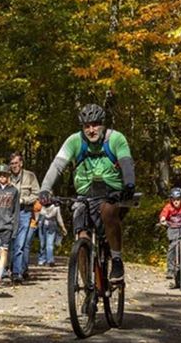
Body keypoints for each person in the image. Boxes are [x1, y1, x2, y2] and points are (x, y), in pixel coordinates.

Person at [39, 103, 136, 283]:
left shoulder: (115, 139)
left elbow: (126, 162)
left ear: (103, 124)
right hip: (85, 194)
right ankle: (87, 288)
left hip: (111, 192)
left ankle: (116, 260)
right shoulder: (74, 141)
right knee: (81, 237)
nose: (91, 130)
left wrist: (129, 183)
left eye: (95, 124)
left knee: (108, 212)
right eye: (87, 126)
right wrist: (45, 188)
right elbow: (57, 166)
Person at [9, 152, 40, 284]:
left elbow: (36, 194)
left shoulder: (30, 176)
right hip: (9, 214)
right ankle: (11, 269)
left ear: (21, 163)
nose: (14, 166)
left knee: (20, 244)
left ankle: (17, 273)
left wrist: (23, 200)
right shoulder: (7, 177)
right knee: (10, 243)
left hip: (24, 212)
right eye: (12, 164)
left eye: (16, 163)